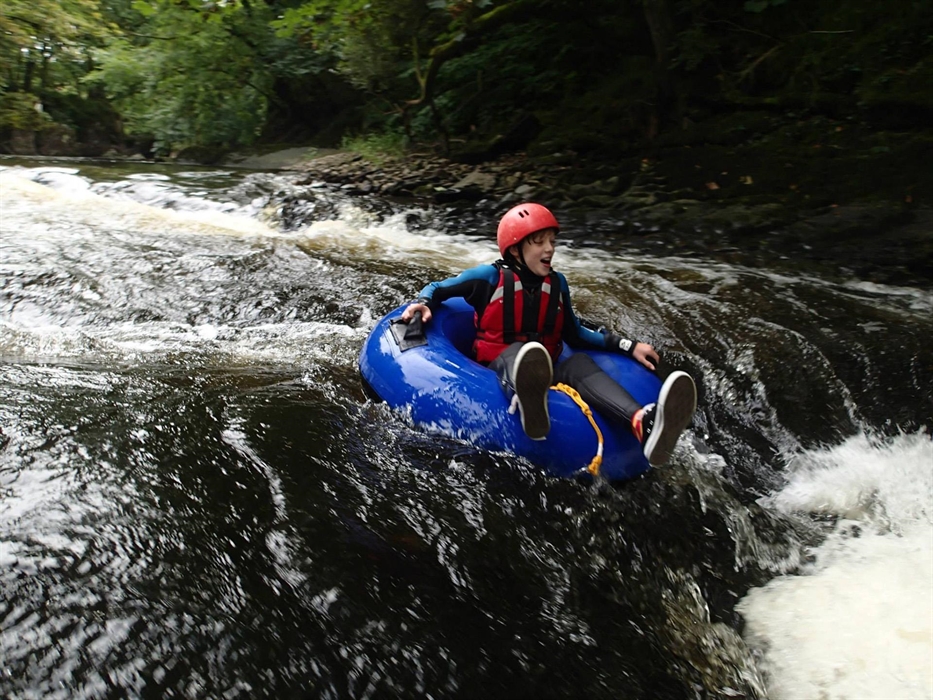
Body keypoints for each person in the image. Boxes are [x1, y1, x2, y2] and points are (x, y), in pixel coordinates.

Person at [401, 202, 697, 466]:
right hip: (498, 366)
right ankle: (529, 402)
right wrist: (424, 304)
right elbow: (439, 288)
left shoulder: (557, 285)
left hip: (547, 367)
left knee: (579, 364)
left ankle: (642, 422)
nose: (549, 249)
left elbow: (576, 334)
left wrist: (628, 345)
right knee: (519, 354)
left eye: (552, 241)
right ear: (516, 249)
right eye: (538, 242)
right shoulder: (488, 278)